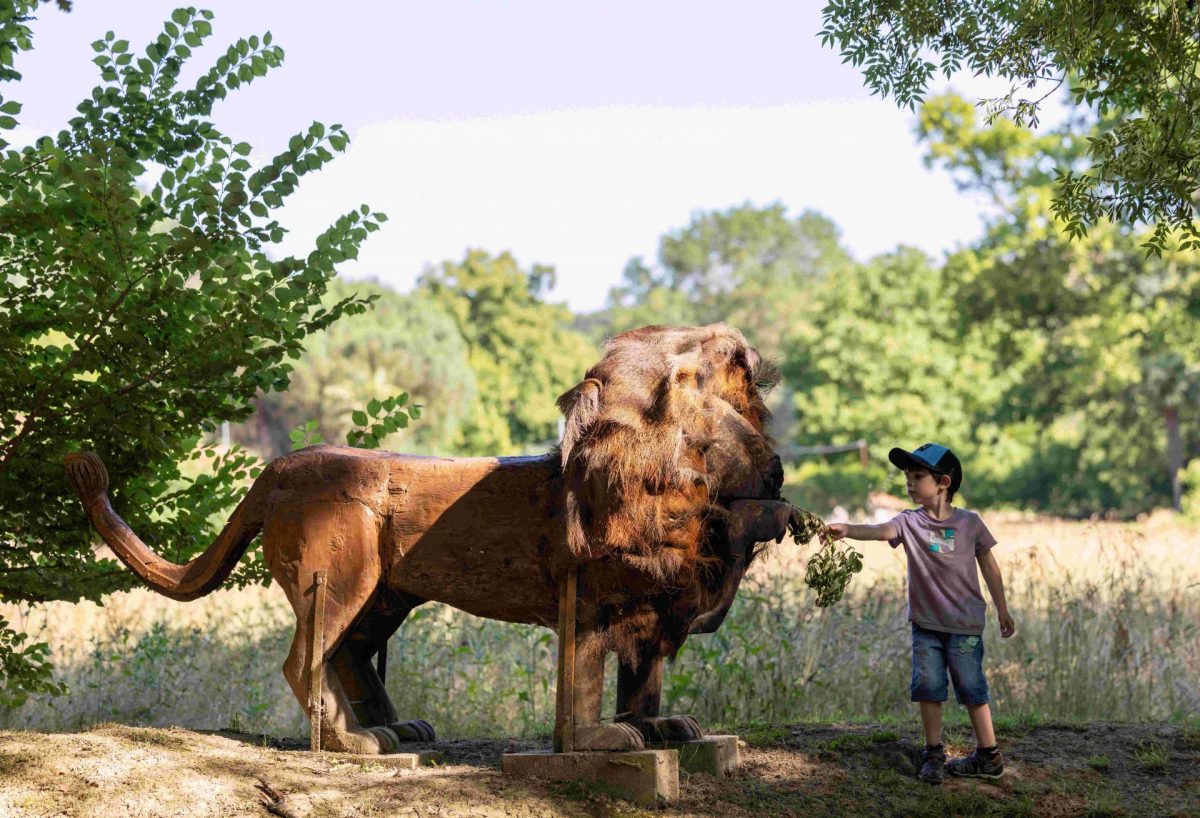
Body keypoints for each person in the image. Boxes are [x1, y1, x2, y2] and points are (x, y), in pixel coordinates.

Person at [827, 443, 1016, 785]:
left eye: (917, 477)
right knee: (928, 686)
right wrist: (848, 529)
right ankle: (933, 753)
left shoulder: (970, 523)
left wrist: (1003, 609)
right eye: (907, 477)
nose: (909, 484)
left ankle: (989, 756)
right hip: (926, 626)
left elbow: (990, 565)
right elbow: (881, 530)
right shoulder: (909, 522)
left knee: (972, 687)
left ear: (943, 482)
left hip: (965, 625)